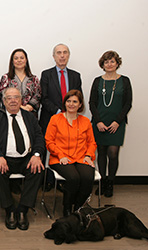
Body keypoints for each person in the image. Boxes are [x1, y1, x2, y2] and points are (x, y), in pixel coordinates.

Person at [0, 87, 45, 231]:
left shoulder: (29, 116)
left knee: (38, 170)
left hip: (26, 158)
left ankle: (23, 209)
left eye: (16, 97)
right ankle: (10, 209)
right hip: (3, 158)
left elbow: (39, 137)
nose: (13, 101)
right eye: (9, 98)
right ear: (4, 101)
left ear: (21, 100)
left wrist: (36, 155)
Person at [45, 90, 97, 216]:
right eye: (68, 101)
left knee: (87, 177)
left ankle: (79, 207)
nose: (71, 104)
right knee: (73, 178)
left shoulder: (85, 121)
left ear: (80, 105)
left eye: (75, 102)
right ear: (65, 103)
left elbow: (92, 143)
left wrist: (88, 156)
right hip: (60, 158)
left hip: (81, 158)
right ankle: (67, 208)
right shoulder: (55, 119)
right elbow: (49, 141)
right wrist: (60, 155)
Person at [39, 44, 83, 191]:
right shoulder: (46, 74)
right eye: (59, 53)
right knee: (49, 148)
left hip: (71, 121)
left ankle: (66, 179)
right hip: (51, 117)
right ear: (54, 56)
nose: (62, 56)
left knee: (68, 147)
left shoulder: (75, 76)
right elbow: (43, 98)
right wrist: (59, 112)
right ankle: (48, 180)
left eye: (65, 53)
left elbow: (78, 97)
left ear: (68, 55)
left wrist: (69, 114)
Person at [89, 51, 132, 197]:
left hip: (117, 124)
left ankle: (110, 182)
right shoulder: (97, 81)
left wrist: (117, 121)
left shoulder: (124, 81)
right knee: (101, 152)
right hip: (99, 122)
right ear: (102, 64)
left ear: (117, 63)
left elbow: (127, 103)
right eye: (106, 62)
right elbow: (92, 103)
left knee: (113, 153)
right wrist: (98, 121)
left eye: (112, 61)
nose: (109, 64)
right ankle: (101, 182)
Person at [0, 48, 41, 117]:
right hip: (11, 114)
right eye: (16, 58)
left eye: (22, 58)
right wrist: (19, 107)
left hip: (30, 114)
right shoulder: (6, 78)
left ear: (26, 60)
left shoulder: (33, 79)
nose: (19, 60)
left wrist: (29, 106)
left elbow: (37, 95)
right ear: (12, 61)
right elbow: (3, 96)